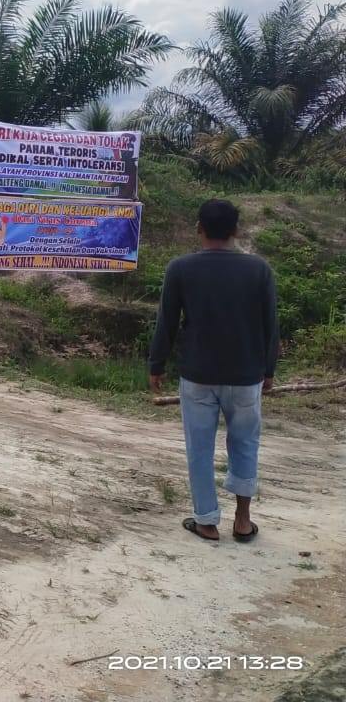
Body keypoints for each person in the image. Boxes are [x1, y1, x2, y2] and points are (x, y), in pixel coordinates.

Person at [148, 198, 279, 544]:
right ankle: (242, 520)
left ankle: (206, 521)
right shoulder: (259, 270)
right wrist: (269, 370)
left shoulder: (180, 268)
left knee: (200, 448)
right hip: (247, 375)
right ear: (236, 230)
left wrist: (156, 364)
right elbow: (270, 325)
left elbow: (167, 322)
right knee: (246, 443)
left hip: (197, 375)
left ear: (199, 229)